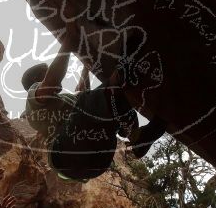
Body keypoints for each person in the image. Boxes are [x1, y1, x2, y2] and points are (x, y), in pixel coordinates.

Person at [21, 28, 165, 182]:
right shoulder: (32, 98)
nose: (50, 71)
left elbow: (88, 101)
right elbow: (51, 83)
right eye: (46, 71)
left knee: (107, 107)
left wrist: (85, 68)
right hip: (66, 154)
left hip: (96, 161)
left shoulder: (63, 103)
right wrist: (68, 43)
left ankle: (137, 137)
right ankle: (124, 67)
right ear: (37, 79)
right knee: (100, 98)